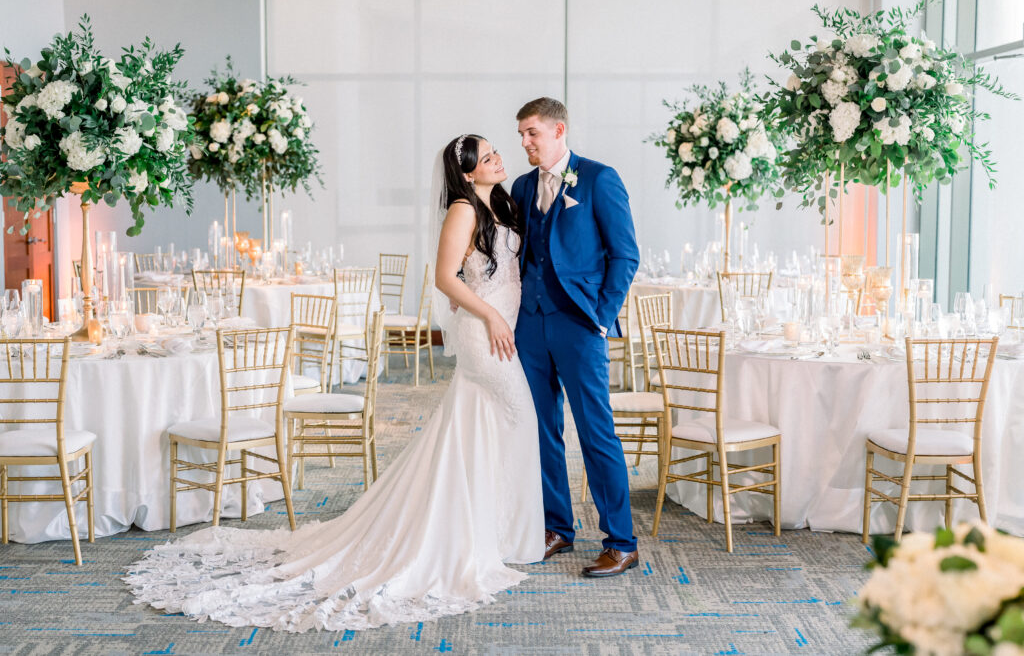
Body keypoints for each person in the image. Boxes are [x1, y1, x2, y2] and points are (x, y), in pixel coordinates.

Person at [124, 134, 545, 632]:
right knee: (517, 414)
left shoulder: (499, 202)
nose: (499, 158)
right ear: (468, 172)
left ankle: (494, 532)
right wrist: (490, 317)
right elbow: (444, 278)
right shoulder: (462, 209)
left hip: (503, 326)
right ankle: (489, 535)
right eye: (487, 155)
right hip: (486, 334)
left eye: (497, 151)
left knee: (485, 425)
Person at [512, 97, 641, 577]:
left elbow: (625, 255)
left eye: (531, 133)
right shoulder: (523, 187)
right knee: (541, 429)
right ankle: (556, 528)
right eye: (521, 134)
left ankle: (621, 541)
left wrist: (601, 318)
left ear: (558, 130)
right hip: (531, 324)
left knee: (595, 432)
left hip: (581, 324)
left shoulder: (598, 178)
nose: (524, 142)